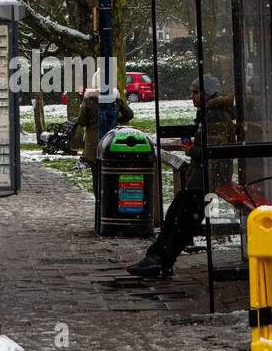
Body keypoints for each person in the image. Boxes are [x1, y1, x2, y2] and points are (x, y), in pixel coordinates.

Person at [125, 73, 234, 277]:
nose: (192, 97)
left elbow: (215, 152)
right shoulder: (209, 114)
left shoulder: (216, 116)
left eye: (195, 93)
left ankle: (160, 259)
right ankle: (157, 257)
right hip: (200, 178)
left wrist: (190, 149)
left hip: (206, 180)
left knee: (181, 221)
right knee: (176, 215)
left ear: (206, 94)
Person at [72, 70, 134, 196]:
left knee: (96, 175)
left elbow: (81, 121)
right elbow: (129, 114)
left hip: (93, 144)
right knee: (112, 174)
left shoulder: (89, 99)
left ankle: (99, 203)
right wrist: (117, 120)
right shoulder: (115, 97)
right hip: (112, 140)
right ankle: (110, 200)